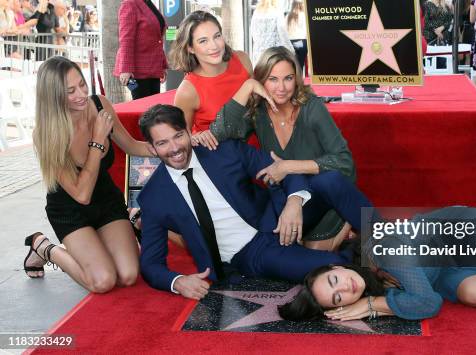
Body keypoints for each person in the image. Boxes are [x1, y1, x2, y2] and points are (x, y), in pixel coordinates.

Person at [136, 104, 373, 299]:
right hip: (251, 252)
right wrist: (178, 282)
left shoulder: (222, 150)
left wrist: (293, 202)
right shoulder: (153, 197)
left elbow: (279, 169)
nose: (175, 148)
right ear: (151, 148)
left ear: (188, 131)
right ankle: (363, 265)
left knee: (331, 181)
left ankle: (387, 243)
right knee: (335, 267)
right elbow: (151, 264)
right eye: (162, 143)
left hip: (275, 216)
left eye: (178, 136)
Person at [279, 211, 476, 321]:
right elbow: (425, 294)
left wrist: (372, 305)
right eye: (337, 299)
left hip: (468, 234)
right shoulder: (370, 272)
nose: (344, 290)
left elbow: (428, 303)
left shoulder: (383, 254)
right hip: (442, 268)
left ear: (337, 268)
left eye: (335, 282)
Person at [199, 46, 354, 252]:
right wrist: (247, 86)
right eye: (272, 79)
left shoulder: (312, 107)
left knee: (312, 260)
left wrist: (288, 166)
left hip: (323, 196)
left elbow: (344, 162)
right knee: (275, 253)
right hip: (283, 198)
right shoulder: (259, 112)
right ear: (261, 80)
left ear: (296, 79)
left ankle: (346, 223)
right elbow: (219, 135)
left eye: (288, 78)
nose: (281, 87)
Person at [23, 56, 154, 293]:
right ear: (53, 96)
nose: (81, 94)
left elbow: (133, 146)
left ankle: (116, 233)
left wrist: (173, 147)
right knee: (102, 281)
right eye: (70, 90)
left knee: (128, 275)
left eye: (82, 84)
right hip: (70, 209)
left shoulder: (100, 105)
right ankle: (44, 247)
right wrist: (97, 141)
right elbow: (81, 195)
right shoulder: (45, 134)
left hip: (107, 201)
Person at [170, 10, 252, 136]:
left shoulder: (242, 59)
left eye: (217, 36)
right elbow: (181, 138)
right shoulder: (187, 91)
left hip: (261, 151)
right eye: (203, 41)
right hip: (222, 154)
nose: (214, 46)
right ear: (190, 48)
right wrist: (197, 137)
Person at [114, 0, 167, 99]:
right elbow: (126, 39)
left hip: (153, 69)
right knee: (141, 106)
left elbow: (157, 39)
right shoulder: (129, 4)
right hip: (135, 73)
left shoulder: (148, 3)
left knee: (154, 107)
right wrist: (125, 69)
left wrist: (162, 65)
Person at [249, 0, 295, 64]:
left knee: (261, 72)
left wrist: (259, 44)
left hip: (259, 52)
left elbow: (253, 31)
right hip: (273, 52)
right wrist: (291, 49)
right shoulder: (277, 11)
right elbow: (282, 32)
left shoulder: (257, 12)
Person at [286, 0, 307, 75]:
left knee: (293, 63)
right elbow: (306, 30)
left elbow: (285, 30)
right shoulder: (303, 15)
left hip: (291, 42)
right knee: (300, 63)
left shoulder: (288, 16)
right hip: (301, 41)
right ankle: (300, 79)